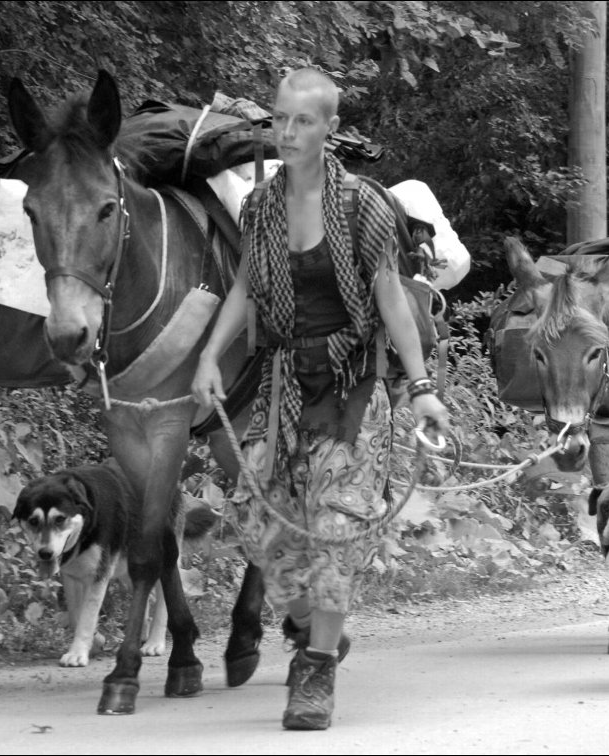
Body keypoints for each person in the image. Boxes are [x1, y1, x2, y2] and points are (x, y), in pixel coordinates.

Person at [192, 67, 450, 731]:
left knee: (334, 529)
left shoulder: (361, 204)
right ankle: (315, 625)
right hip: (279, 381)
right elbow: (246, 286)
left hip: (347, 385)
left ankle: (314, 670)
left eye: (304, 121)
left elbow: (390, 296)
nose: (289, 132)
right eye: (281, 119)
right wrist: (207, 359)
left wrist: (420, 388)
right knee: (260, 530)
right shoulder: (260, 205)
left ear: (330, 128)